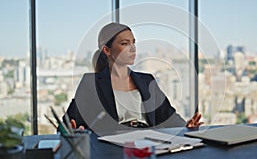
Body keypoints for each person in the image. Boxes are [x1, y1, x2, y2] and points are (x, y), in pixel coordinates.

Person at [64, 22, 203, 133]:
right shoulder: (91, 83)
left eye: (133, 42)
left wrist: (186, 126)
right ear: (107, 50)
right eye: (125, 43)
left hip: (149, 139)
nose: (132, 48)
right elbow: (67, 125)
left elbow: (168, 116)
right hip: (113, 143)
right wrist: (74, 130)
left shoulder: (147, 80)